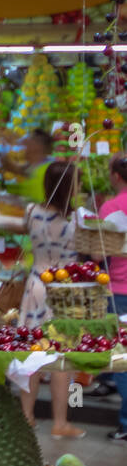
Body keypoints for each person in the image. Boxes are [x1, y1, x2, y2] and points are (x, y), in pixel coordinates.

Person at [0, 161, 85, 439]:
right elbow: (95, 255)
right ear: (70, 187)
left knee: (32, 354)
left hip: (36, 285)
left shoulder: (32, 212)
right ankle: (59, 422)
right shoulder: (78, 218)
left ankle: (27, 416)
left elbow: (20, 229)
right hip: (66, 291)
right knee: (63, 357)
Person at [98, 155, 127, 443]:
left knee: (122, 359)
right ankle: (105, 381)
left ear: (116, 177)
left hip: (119, 289)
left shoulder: (111, 207)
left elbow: (99, 253)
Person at [3, 129, 54, 204]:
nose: (25, 149)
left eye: (28, 146)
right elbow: (17, 169)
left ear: (36, 148)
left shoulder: (47, 169)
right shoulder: (34, 164)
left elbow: (30, 192)